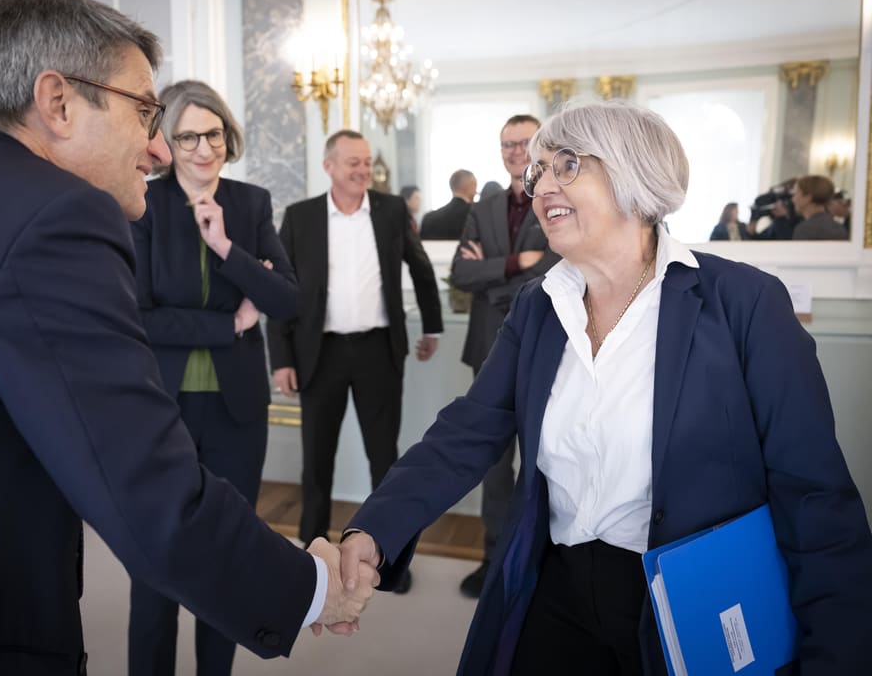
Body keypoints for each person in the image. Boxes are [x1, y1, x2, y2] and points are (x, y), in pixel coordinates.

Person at [0, 0, 376, 676]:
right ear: (58, 102)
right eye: (145, 112)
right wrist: (311, 588)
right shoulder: (60, 216)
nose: (158, 148)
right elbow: (147, 492)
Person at [339, 100, 872, 675]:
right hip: (557, 582)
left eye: (565, 163)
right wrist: (375, 527)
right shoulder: (539, 306)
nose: (540, 185)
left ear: (634, 175)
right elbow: (468, 430)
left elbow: (815, 499)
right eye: (535, 172)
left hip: (688, 602)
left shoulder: (744, 304)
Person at [128, 79, 297, 676]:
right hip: (162, 409)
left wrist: (226, 246)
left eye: (215, 133)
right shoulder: (142, 203)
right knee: (157, 556)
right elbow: (142, 317)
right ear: (167, 141)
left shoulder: (251, 206)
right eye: (189, 136)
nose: (205, 147)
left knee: (224, 556)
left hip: (237, 413)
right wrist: (228, 326)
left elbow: (285, 299)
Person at [266, 130, 443, 595]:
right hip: (318, 355)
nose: (363, 170)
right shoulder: (301, 217)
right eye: (353, 163)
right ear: (329, 167)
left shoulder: (390, 211)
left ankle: (391, 563)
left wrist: (433, 327)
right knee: (316, 461)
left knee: (385, 460)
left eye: (367, 163)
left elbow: (421, 268)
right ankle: (311, 557)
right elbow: (281, 290)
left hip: (378, 352)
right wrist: (281, 357)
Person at [451, 114, 559, 599]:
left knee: (543, 460)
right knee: (493, 461)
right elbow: (460, 272)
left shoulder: (560, 196)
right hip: (488, 348)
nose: (516, 151)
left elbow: (561, 267)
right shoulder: (485, 206)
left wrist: (493, 279)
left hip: (546, 346)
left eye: (524, 142)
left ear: (542, 146)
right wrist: (519, 264)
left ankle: (537, 562)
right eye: (507, 144)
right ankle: (491, 560)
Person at [419, 169, 477, 239]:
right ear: (471, 187)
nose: (476, 192)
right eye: (475, 186)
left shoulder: (429, 218)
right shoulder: (476, 215)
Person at [792, 175, 848, 239]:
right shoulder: (840, 228)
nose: (793, 200)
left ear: (807, 197)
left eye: (795, 194)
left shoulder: (805, 229)